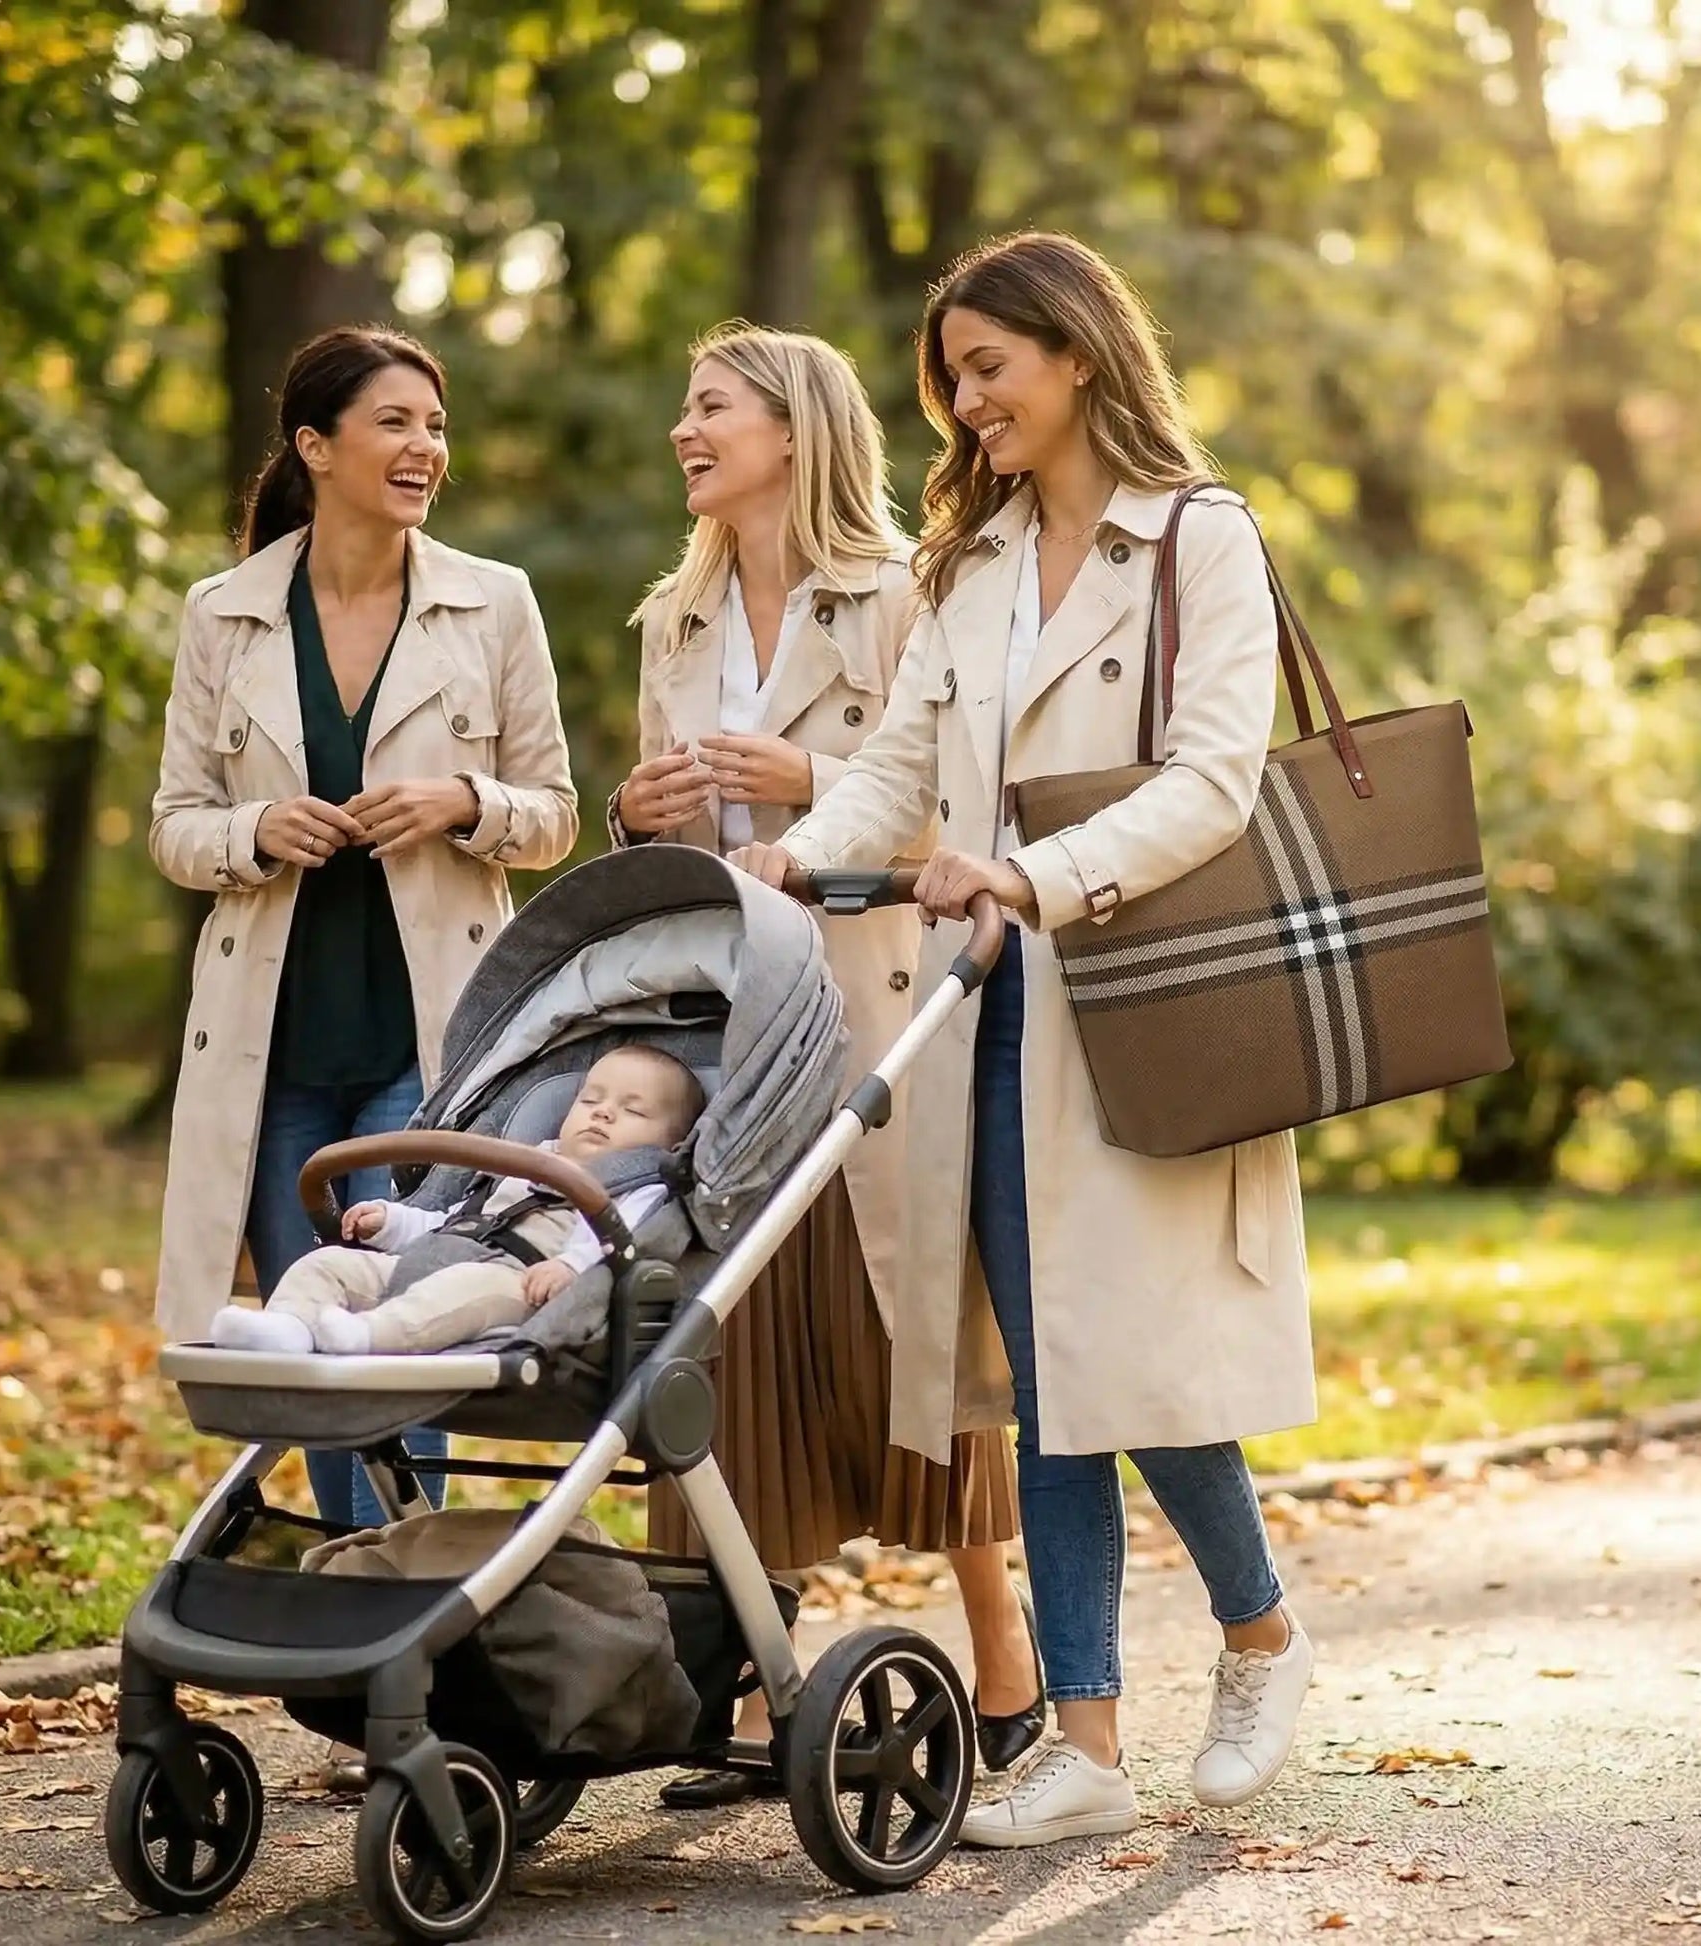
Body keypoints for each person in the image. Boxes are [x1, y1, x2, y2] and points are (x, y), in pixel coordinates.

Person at [732, 233, 1318, 1847]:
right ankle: (1087, 1743)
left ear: (1075, 353)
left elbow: (1217, 775)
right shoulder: (970, 564)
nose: (967, 400)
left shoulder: (1201, 534)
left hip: (1143, 1002)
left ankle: (1260, 1633)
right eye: (953, 377)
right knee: (1044, 1379)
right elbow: (896, 761)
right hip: (982, 1011)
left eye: (987, 366)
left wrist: (1033, 873)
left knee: (1132, 1360)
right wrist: (791, 855)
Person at [613, 323, 1041, 1805]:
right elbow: (663, 845)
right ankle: (752, 1680)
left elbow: (955, 818)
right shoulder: (670, 623)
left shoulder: (899, 599)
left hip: (879, 1012)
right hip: (723, 1026)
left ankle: (1003, 1654)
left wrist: (814, 789)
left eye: (711, 404)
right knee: (736, 1347)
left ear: (791, 429)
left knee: (906, 1340)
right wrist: (639, 808)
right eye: (685, 406)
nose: (686, 427)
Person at [149, 323, 578, 1542]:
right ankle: (366, 1598)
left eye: (435, 426)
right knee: (313, 1345)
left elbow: (550, 813)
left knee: (398, 1326)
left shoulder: (494, 602)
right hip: (270, 1045)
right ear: (315, 445)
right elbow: (174, 825)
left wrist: (462, 803)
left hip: (430, 1034)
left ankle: (408, 1615)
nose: (424, 448)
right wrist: (252, 831)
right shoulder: (223, 614)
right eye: (396, 423)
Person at [205, 1044, 702, 1355]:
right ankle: (288, 1327)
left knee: (458, 1290)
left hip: (515, 1286)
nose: (604, 1115)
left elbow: (624, 1237)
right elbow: (457, 1220)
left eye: (632, 1110)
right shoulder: (528, 1159)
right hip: (442, 1254)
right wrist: (393, 1222)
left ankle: (368, 1337)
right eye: (591, 1100)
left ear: (671, 1142)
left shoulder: (640, 1186)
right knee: (329, 1262)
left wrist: (572, 1267)